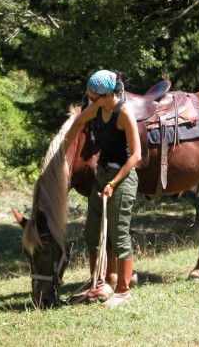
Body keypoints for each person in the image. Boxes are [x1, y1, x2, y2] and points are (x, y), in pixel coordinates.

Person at [64, 69, 141, 307]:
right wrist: (62, 152)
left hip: (123, 178)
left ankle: (123, 291)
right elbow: (78, 123)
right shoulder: (97, 107)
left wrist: (113, 184)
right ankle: (98, 285)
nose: (90, 102)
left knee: (119, 235)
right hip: (103, 174)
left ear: (108, 95)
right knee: (92, 232)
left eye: (93, 97)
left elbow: (137, 156)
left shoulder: (124, 113)